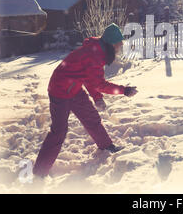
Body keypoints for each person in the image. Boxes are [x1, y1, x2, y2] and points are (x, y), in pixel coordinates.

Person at [33, 23, 137, 177]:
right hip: (59, 90)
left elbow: (88, 78)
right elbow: (99, 83)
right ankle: (39, 172)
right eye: (118, 44)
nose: (120, 47)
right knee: (59, 132)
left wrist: (97, 98)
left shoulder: (98, 51)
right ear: (110, 43)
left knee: (91, 117)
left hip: (74, 88)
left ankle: (106, 146)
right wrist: (124, 90)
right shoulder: (93, 56)